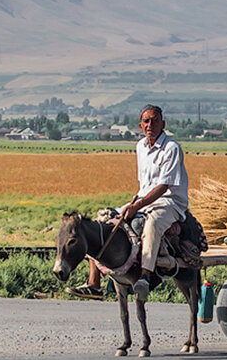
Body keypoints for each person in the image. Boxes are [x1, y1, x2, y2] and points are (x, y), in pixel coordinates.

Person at [67, 104, 189, 301]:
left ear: (162, 123)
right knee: (101, 220)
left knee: (152, 225)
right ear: (141, 126)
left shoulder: (172, 148)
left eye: (155, 120)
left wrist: (136, 207)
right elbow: (144, 185)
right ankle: (94, 282)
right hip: (143, 200)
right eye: (146, 121)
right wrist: (133, 206)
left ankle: (144, 276)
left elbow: (164, 186)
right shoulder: (140, 146)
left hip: (169, 203)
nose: (151, 125)